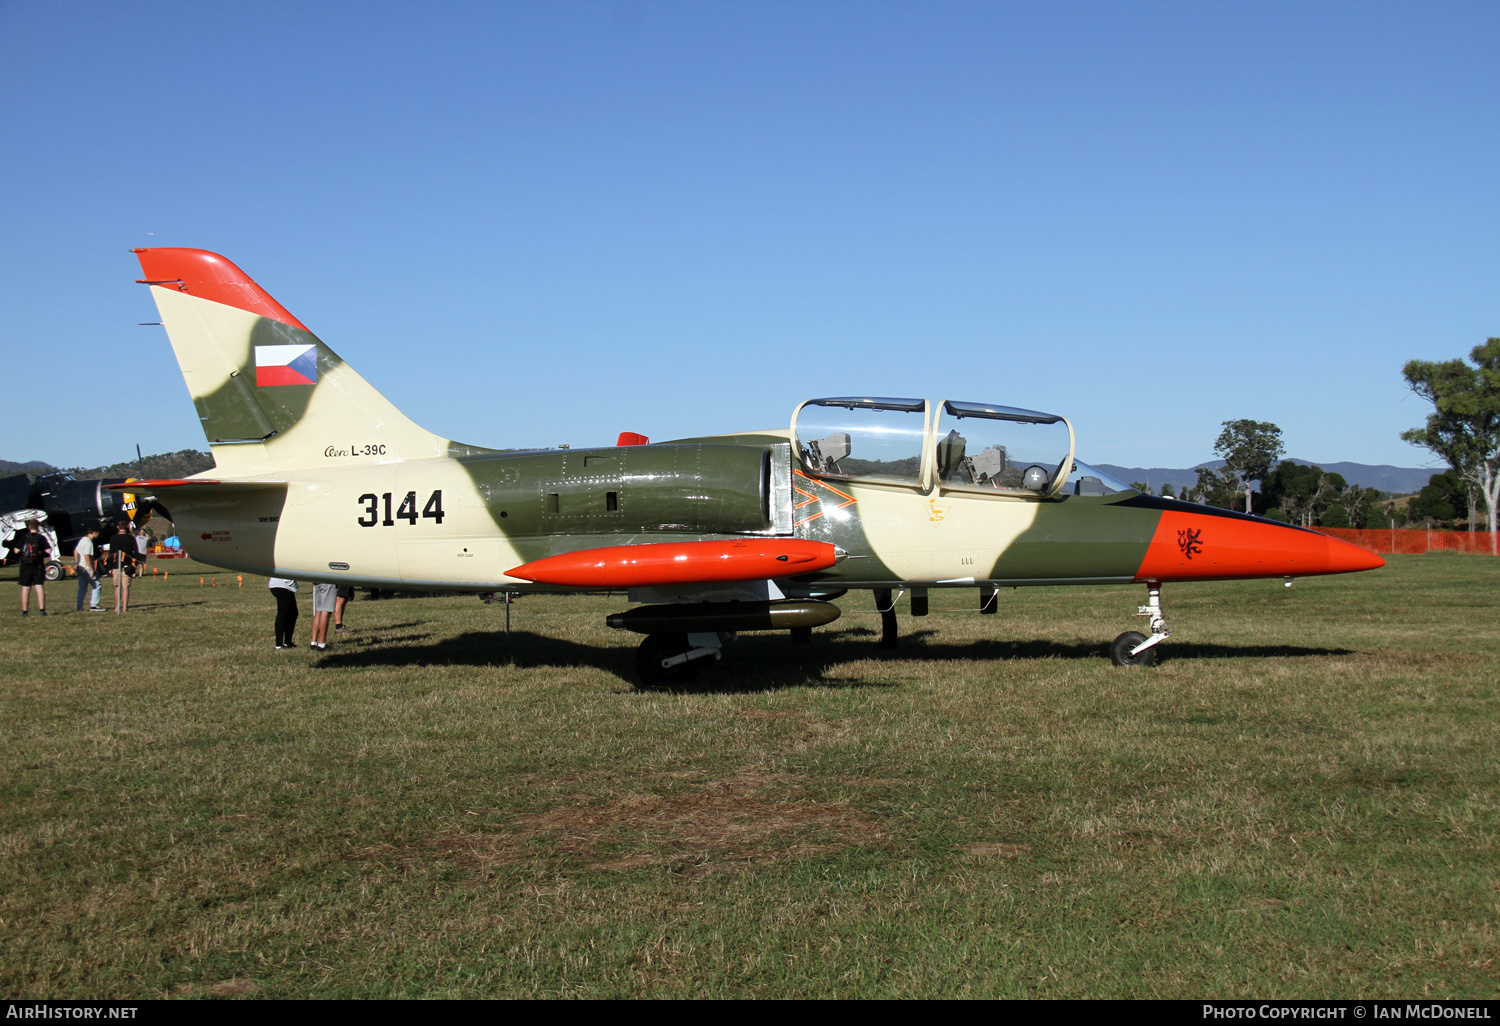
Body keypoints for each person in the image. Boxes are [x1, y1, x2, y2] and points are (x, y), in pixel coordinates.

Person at [13, 518, 50, 616]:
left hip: (25, 566)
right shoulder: (41, 538)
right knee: (39, 587)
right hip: (37, 565)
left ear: (29, 527)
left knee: (25, 588)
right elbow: (49, 550)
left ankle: (25, 611)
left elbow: (16, 550)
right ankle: (42, 610)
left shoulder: (24, 537)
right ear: (38, 527)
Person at [108, 522, 138, 613]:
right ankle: (124, 607)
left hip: (116, 565)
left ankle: (117, 607)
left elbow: (111, 553)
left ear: (118, 527)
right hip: (127, 565)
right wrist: (135, 566)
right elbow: (135, 553)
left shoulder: (113, 538)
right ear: (127, 527)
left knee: (117, 586)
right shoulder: (131, 538)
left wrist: (109, 567)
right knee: (125, 586)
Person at [73, 526, 102, 612]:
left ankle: (79, 606)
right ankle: (94, 605)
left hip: (80, 567)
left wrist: (77, 562)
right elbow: (87, 556)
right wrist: (92, 569)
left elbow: (75, 551)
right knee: (97, 584)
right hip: (86, 567)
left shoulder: (82, 539)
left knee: (82, 587)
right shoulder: (89, 542)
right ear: (94, 532)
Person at [269, 576, 299, 649]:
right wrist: (292, 584)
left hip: (283, 586)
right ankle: (279, 644)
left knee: (293, 613)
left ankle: (287, 642)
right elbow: (285, 574)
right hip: (282, 586)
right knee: (283, 614)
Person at [310, 582, 336, 650]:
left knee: (319, 610)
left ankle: (313, 641)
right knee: (326, 611)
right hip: (328, 581)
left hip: (317, 581)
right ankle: (322, 643)